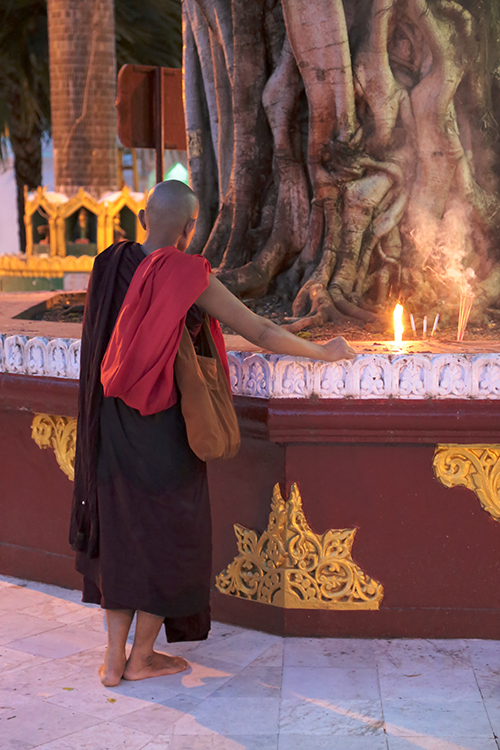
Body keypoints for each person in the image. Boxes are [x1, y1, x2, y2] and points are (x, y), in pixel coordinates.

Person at [71, 180, 355, 688]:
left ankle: (112, 660)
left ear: (142, 217)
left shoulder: (107, 264)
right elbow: (259, 331)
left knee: (122, 533)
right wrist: (323, 352)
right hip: (165, 429)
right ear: (190, 229)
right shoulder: (187, 273)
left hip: (111, 422)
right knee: (167, 535)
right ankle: (142, 658)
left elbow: (98, 342)